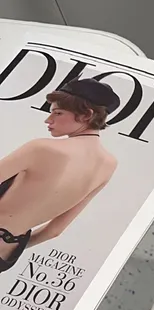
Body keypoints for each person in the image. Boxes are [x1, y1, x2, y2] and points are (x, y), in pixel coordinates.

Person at [0, 79, 120, 273]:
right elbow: (54, 231)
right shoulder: (108, 165)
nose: (48, 120)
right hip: (6, 255)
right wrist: (13, 245)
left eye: (58, 113)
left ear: (86, 115)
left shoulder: (41, 148)